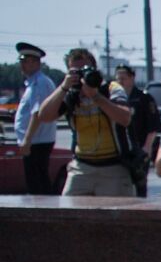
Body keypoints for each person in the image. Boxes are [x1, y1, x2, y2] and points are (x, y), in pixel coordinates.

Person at [38, 48, 135, 196]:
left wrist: (96, 97)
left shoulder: (110, 89)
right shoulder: (71, 94)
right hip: (82, 166)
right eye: (75, 71)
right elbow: (44, 116)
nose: (81, 76)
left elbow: (125, 118)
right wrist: (64, 87)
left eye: (85, 70)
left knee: (115, 216)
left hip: (113, 166)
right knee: (70, 215)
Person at [13, 42, 58, 194]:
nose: (22, 65)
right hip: (36, 141)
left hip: (37, 142)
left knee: (38, 186)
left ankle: (44, 215)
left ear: (36, 62)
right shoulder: (34, 83)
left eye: (26, 61)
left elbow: (37, 114)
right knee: (37, 183)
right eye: (22, 62)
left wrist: (27, 140)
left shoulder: (39, 83)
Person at [114, 64, 161, 197]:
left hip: (139, 148)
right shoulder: (114, 100)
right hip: (120, 149)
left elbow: (153, 125)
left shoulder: (144, 98)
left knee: (140, 185)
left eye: (123, 78)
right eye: (118, 79)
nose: (120, 81)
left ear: (132, 78)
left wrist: (147, 148)